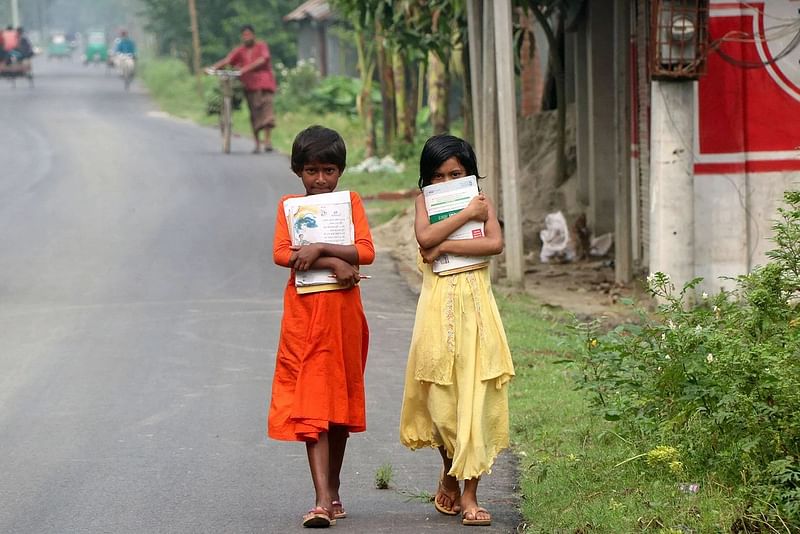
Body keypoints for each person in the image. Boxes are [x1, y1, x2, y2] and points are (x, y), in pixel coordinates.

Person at [399, 134, 515, 527]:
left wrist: (444, 248)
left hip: (478, 313)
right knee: (443, 402)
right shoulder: (426, 204)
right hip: (437, 313)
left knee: (475, 400)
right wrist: (465, 218)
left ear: (469, 174)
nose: (446, 183)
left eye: (456, 174)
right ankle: (449, 469)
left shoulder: (482, 201)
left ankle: (470, 495)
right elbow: (424, 239)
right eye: (437, 176)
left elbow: (495, 244)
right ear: (426, 180)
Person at [269, 125, 375, 528]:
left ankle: (333, 490)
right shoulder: (290, 208)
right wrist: (333, 262)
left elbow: (366, 251)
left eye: (328, 170)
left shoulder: (351, 205)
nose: (320, 180)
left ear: (341, 171)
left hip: (344, 316)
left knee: (339, 406)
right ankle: (320, 500)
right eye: (311, 171)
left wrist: (321, 249)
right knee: (312, 402)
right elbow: (282, 253)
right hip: (303, 317)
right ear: (298, 171)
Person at [208, 24, 277, 153]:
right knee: (254, 114)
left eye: (249, 34)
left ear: (253, 35)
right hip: (250, 86)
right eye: (244, 35)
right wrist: (214, 68)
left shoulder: (262, 46)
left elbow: (263, 59)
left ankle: (267, 141)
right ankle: (257, 143)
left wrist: (245, 69)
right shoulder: (240, 50)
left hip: (265, 83)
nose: (246, 37)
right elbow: (228, 60)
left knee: (267, 112)